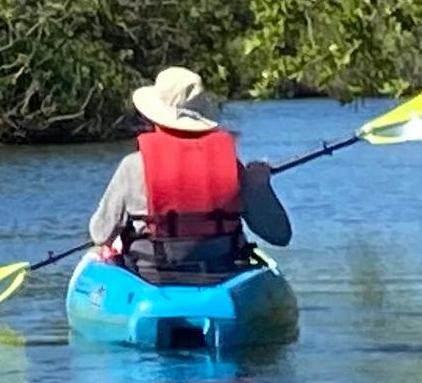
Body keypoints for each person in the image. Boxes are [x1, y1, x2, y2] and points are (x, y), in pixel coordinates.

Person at [86, 66, 290, 282]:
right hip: (222, 274)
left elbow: (100, 233)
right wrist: (259, 186)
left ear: (154, 117)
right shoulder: (232, 167)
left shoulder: (133, 166)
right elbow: (279, 235)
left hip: (152, 277)